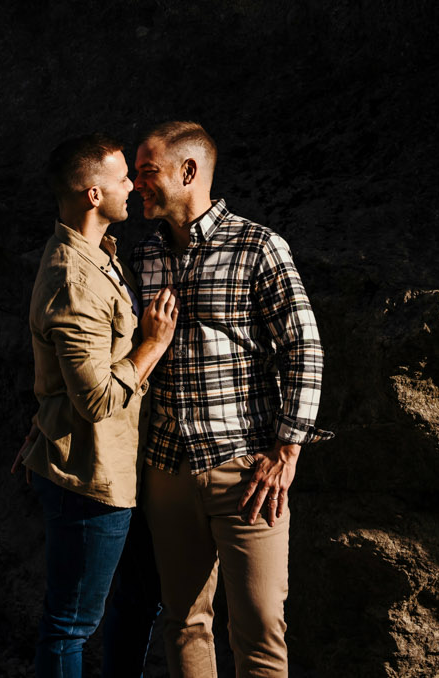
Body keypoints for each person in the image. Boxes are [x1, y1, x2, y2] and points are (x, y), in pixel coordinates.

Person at [126, 121, 329, 678]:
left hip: (246, 472)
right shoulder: (139, 257)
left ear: (188, 171)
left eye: (148, 171)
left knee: (260, 625)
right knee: (184, 621)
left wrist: (287, 452)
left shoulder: (258, 246)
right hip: (166, 469)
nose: (135, 183)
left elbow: (303, 347)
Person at [19, 133, 179, 678]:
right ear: (93, 194)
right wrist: (152, 345)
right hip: (90, 478)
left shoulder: (102, 254)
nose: (133, 186)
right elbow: (94, 399)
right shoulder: (74, 280)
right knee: (70, 625)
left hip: (122, 471)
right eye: (121, 178)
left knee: (140, 599)